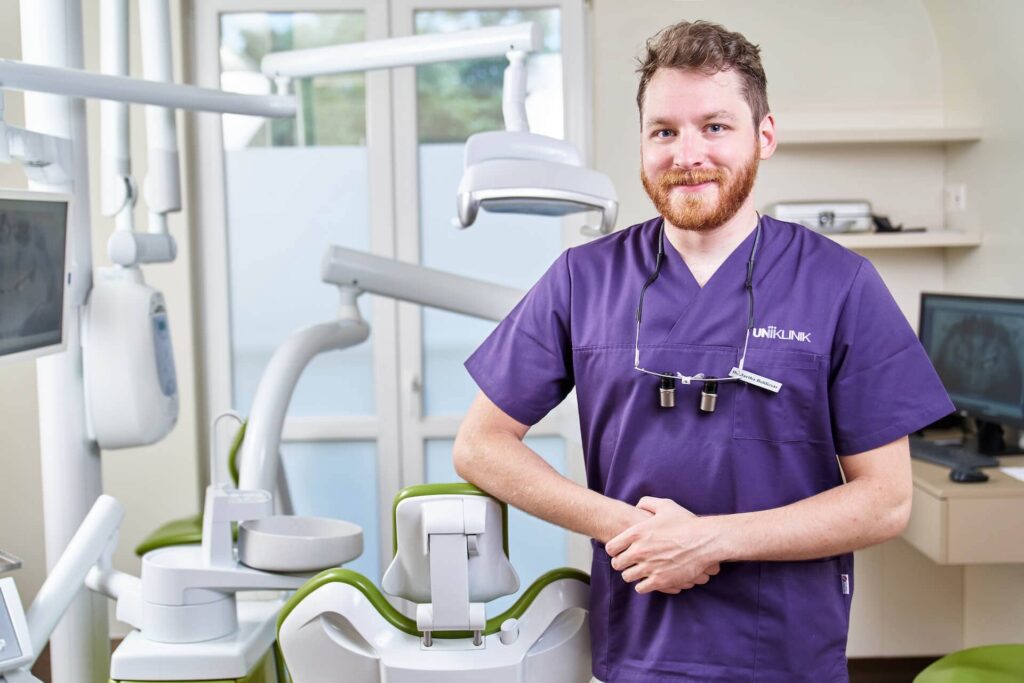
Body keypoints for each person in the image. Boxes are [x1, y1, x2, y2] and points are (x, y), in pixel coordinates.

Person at [453, 19, 954, 683]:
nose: (688, 153)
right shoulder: (583, 278)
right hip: (639, 642)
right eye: (664, 131)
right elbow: (480, 444)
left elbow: (886, 500)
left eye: (715, 126)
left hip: (785, 651)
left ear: (763, 136)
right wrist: (624, 525)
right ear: (642, 142)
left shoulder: (840, 285)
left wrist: (707, 539)